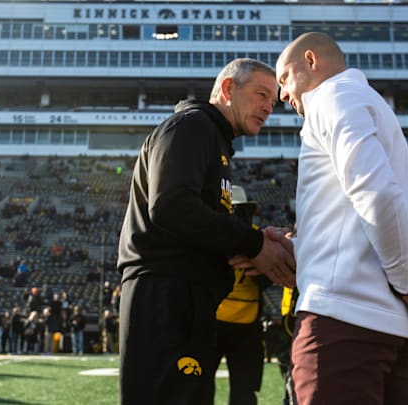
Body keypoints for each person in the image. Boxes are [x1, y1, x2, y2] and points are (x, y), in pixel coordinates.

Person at [274, 32, 408, 404]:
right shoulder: (365, 103)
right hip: (384, 324)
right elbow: (362, 212)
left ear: (310, 61)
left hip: (346, 323)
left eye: (284, 79)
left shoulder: (333, 96)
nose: (282, 96)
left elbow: (377, 195)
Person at [117, 57, 295, 404]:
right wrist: (253, 242)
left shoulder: (214, 139)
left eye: (272, 101)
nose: (268, 107)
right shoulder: (192, 126)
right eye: (261, 94)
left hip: (188, 295)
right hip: (165, 295)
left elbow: (201, 225)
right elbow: (171, 206)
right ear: (228, 88)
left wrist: (257, 242)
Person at [205, 185, 272, 405]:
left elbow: (266, 279)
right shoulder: (253, 237)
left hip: (240, 323)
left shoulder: (256, 238)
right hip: (218, 321)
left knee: (242, 392)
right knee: (200, 387)